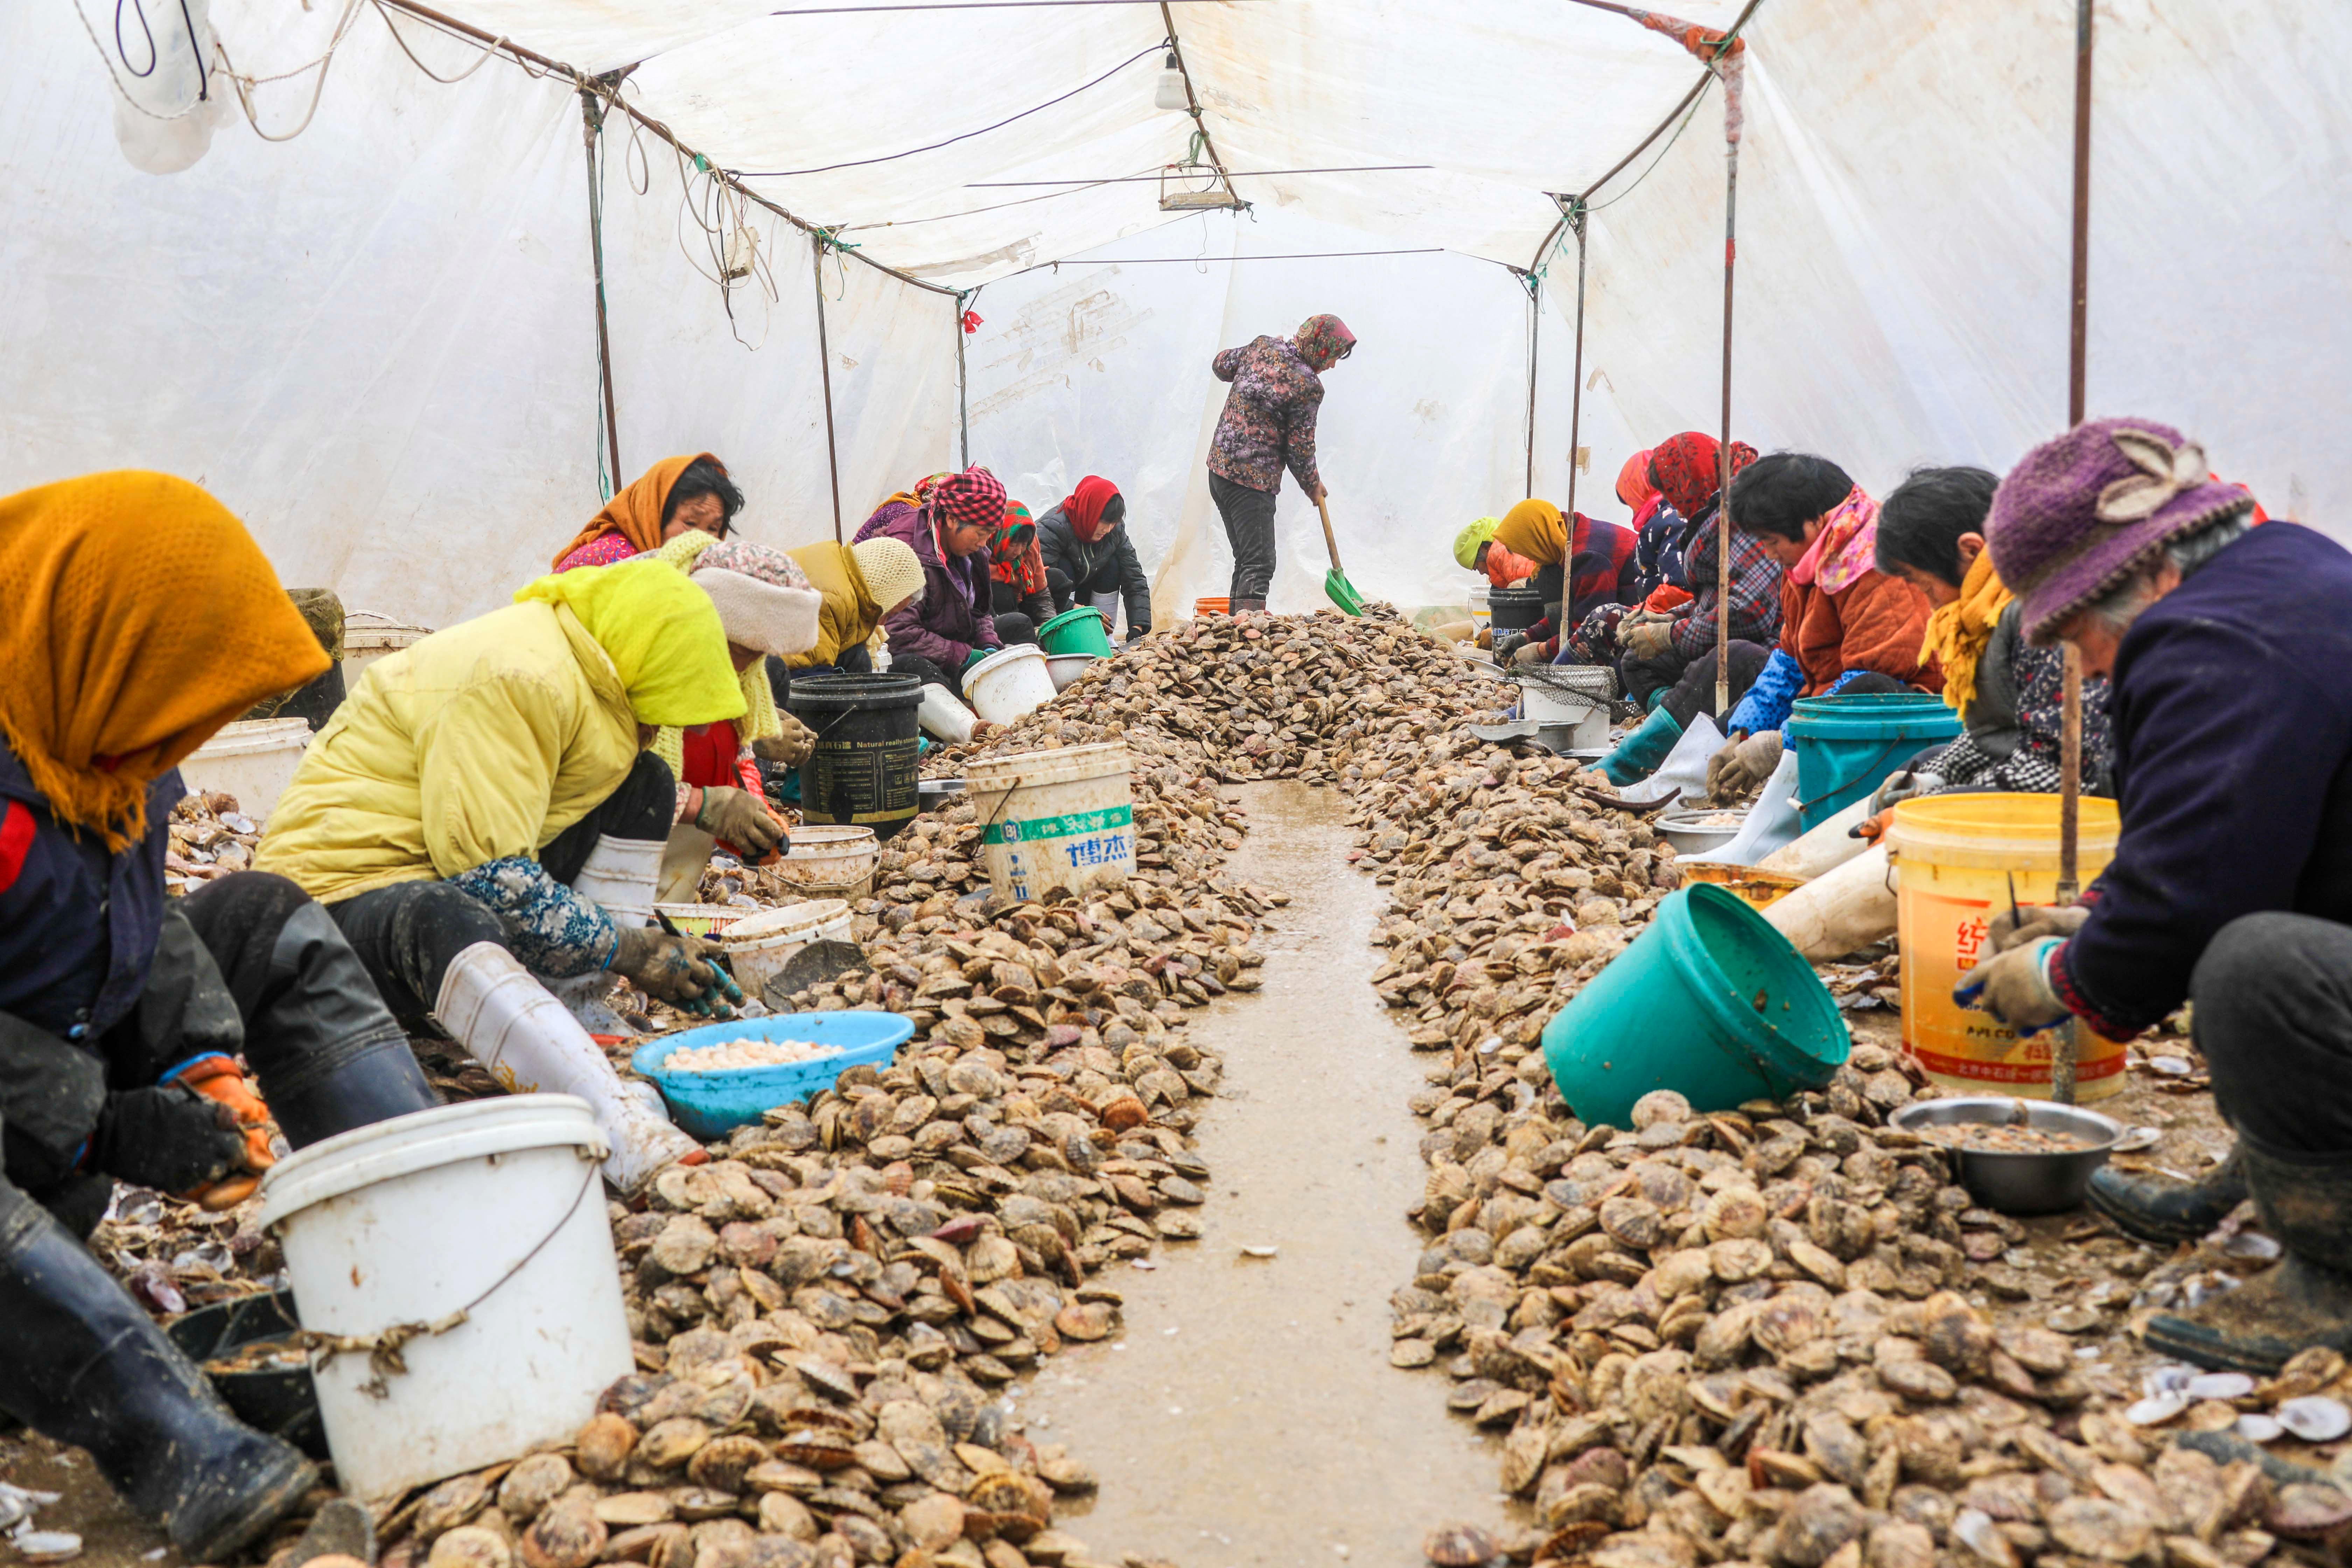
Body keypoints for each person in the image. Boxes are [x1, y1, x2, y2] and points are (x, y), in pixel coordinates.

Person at [0, 472, 442, 1561]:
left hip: (40, 1155)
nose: (176, 740)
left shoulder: (99, 724)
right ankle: (176, 1442)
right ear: (97, 631)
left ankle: (431, 1243)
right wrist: (105, 1121)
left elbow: (133, 914)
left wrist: (206, 1063)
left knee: (261, 914)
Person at [1952, 418, 2348, 1374]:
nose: (2084, 666)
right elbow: (2239, 831)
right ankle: (2264, 1182)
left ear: (2153, 574)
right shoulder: (2286, 565)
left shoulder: (2205, 638)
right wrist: (2093, 914)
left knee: (2256, 973)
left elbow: (2190, 905)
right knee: (2266, 945)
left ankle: (2333, 1279)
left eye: (2079, 633)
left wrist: (2060, 974)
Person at [256, 558, 749, 1190]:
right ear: (644, 651)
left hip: (432, 869)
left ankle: (580, 1008)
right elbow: (491, 880)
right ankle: (611, 1118)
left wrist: (632, 946)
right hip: (331, 912)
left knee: (645, 782)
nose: (657, 724)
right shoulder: (522, 676)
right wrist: (635, 949)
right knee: (448, 912)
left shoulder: (587, 670)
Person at [1862, 464, 2113, 808]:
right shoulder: (1986, 614)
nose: (1918, 593)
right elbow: (1996, 733)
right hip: (2046, 773)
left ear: (1972, 551)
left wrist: (1933, 802)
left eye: (1919, 580)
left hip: (2105, 802)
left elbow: (2059, 771)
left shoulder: (2047, 617)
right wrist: (1932, 777)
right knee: (1922, 765)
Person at [1699, 454, 1941, 800]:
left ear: (1813, 522)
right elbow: (1789, 660)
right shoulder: (1806, 565)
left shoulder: (1876, 563)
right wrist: (1744, 732)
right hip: (1829, 707)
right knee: (1741, 712)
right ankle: (1687, 777)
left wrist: (1781, 742)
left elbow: (1869, 680)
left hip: (1910, 717)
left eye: (1772, 541)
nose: (1769, 554)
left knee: (1868, 686)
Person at [641, 534, 824, 902]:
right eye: (742, 650)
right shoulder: (641, 662)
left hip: (673, 842)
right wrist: (708, 807)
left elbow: (737, 753)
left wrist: (753, 814)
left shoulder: (745, 671)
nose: (747, 663)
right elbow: (610, 788)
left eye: (759, 653)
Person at [1591, 433, 1773, 784]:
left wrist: (1669, 634)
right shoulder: (1714, 516)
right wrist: (1667, 617)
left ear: (1689, 481)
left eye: (1676, 495)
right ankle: (1678, 724)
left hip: (1764, 650)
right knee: (1636, 660)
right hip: (1718, 631)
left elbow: (1746, 613)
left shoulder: (1747, 514)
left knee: (1728, 658)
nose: (1677, 506)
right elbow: (1715, 598)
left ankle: (1633, 763)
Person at [1207, 314, 1353, 613]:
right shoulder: (1308, 385)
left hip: (1219, 472)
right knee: (1259, 563)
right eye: (1333, 356)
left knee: (1246, 558)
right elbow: (1299, 448)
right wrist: (1313, 485)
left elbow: (1221, 365)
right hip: (1251, 483)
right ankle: (1247, 634)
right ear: (1320, 347)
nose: (1333, 365)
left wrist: (1256, 356)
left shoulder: (1262, 346)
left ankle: (1234, 632)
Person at [852, 466, 1020, 697]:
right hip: (917, 651)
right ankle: (959, 723)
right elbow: (898, 632)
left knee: (1018, 626)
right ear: (952, 518)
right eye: (981, 533)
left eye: (990, 534)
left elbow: (980, 612)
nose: (984, 543)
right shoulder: (908, 549)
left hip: (956, 639)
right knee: (918, 669)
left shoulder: (971, 551)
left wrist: (988, 642)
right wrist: (963, 655)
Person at [1484, 499, 1639, 665]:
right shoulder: (1563, 534)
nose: (1529, 558)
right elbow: (1570, 610)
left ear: (1538, 539)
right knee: (1547, 575)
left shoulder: (1588, 559)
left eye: (1527, 550)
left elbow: (1590, 630)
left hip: (1638, 636)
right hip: (1611, 622)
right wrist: (1527, 637)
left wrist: (1540, 651)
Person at [552, 453, 743, 572]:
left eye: (713, 528)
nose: (703, 540)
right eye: (691, 523)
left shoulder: (678, 569)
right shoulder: (616, 561)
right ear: (654, 517)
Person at [780, 536, 927, 679]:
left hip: (783, 653)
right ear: (879, 593)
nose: (883, 623)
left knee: (857, 657)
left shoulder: (839, 564)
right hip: (767, 664)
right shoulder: (834, 601)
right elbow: (808, 677)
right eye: (888, 614)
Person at [1038, 475, 1152, 641]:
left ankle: (1105, 638)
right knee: (1061, 570)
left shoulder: (1115, 531)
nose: (1108, 529)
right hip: (1060, 606)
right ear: (1089, 511)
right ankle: (1067, 636)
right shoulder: (1053, 528)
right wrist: (1078, 612)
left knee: (1114, 564)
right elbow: (1039, 586)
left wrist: (1137, 627)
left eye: (1113, 523)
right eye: (1104, 522)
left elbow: (1134, 577)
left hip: (1091, 599)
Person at [989, 500, 1056, 633]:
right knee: (1001, 592)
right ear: (1000, 536)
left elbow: (1040, 594)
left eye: (1024, 544)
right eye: (1013, 544)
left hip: (1022, 600)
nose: (1018, 552)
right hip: (993, 614)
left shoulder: (1031, 549)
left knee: (1057, 578)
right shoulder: (982, 544)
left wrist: (1051, 625)